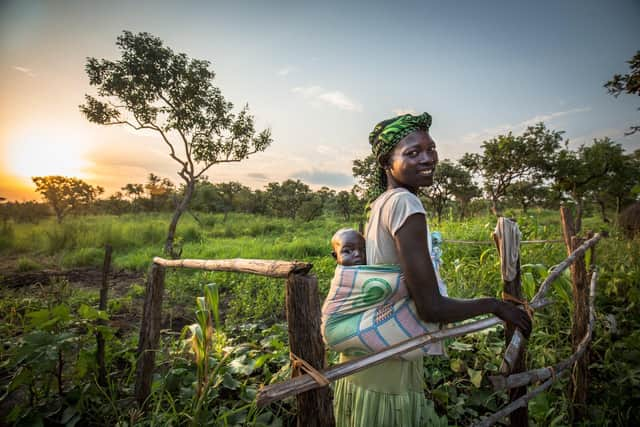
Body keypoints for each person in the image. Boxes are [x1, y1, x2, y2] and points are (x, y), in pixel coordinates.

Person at [328, 112, 532, 427]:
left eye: (431, 149)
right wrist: (495, 306)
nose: (428, 158)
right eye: (413, 152)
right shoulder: (405, 204)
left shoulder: (380, 202)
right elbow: (430, 307)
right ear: (387, 163)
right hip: (389, 364)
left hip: (366, 352)